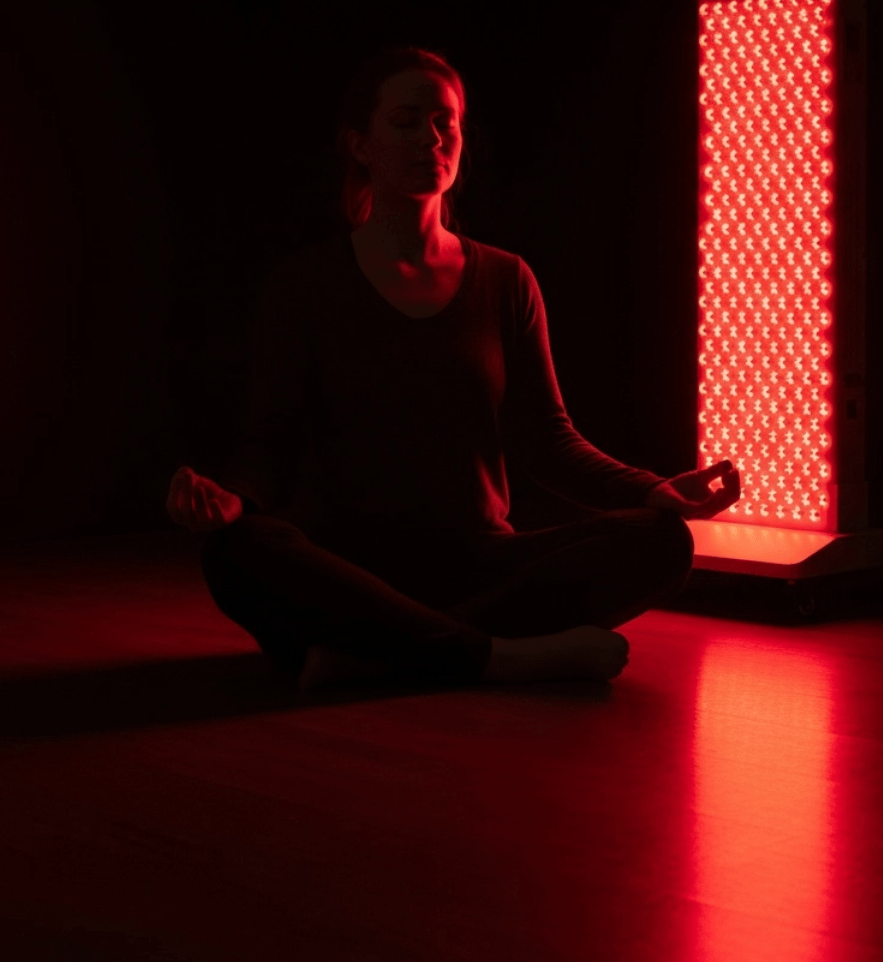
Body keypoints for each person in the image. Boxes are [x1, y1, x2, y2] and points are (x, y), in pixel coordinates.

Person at [166, 47, 740, 691]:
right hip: (347, 569)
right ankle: (495, 657)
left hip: (478, 561)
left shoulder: (505, 279)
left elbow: (547, 438)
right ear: (361, 144)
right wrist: (228, 497)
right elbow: (270, 443)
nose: (431, 139)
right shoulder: (305, 286)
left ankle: (384, 653)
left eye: (446, 122)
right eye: (407, 121)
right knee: (238, 552)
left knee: (661, 542)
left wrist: (650, 490)